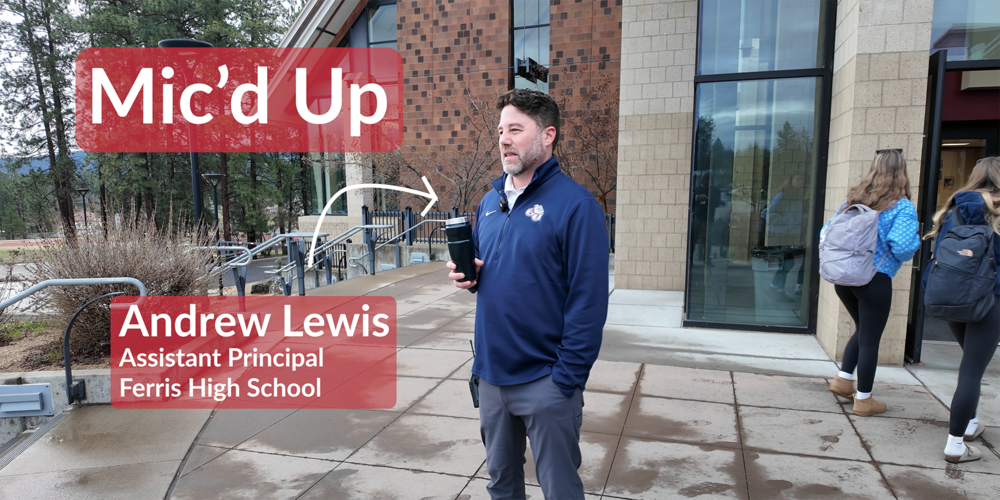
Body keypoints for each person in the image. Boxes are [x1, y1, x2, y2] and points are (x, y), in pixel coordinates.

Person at [447, 88, 609, 499]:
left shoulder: (577, 207)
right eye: (501, 130)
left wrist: (565, 380)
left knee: (560, 490)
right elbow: (489, 271)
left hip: (545, 381)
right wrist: (469, 276)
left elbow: (588, 304)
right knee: (502, 486)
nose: (504, 139)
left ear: (548, 135)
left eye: (516, 129)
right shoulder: (489, 201)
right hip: (491, 378)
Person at [826, 149, 920, 416]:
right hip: (873, 281)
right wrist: (916, 241)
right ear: (901, 172)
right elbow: (902, 246)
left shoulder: (853, 200)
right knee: (870, 339)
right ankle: (864, 401)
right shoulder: (901, 205)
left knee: (862, 330)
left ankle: (843, 380)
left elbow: (827, 232)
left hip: (844, 278)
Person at [922, 156, 1000, 463]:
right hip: (989, 299)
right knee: (971, 371)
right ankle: (955, 445)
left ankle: (969, 424)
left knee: (970, 364)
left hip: (952, 297)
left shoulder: (954, 207)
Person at [762, 172, 808, 300]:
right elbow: (768, 215)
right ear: (791, 180)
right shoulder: (783, 196)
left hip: (793, 234)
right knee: (787, 263)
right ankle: (776, 289)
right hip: (781, 234)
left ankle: (775, 288)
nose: (800, 182)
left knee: (787, 263)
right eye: (797, 179)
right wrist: (783, 217)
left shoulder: (800, 197)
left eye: (802, 180)